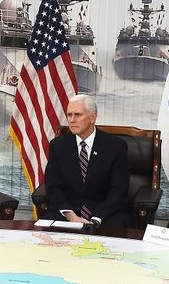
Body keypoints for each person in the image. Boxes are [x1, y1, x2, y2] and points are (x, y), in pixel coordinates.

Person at [42, 94, 131, 227]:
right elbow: (53, 187)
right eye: (69, 115)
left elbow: (118, 190)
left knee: (118, 224)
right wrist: (71, 216)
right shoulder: (58, 145)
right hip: (68, 212)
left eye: (77, 115)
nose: (72, 120)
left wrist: (96, 218)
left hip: (105, 213)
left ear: (92, 117)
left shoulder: (115, 146)